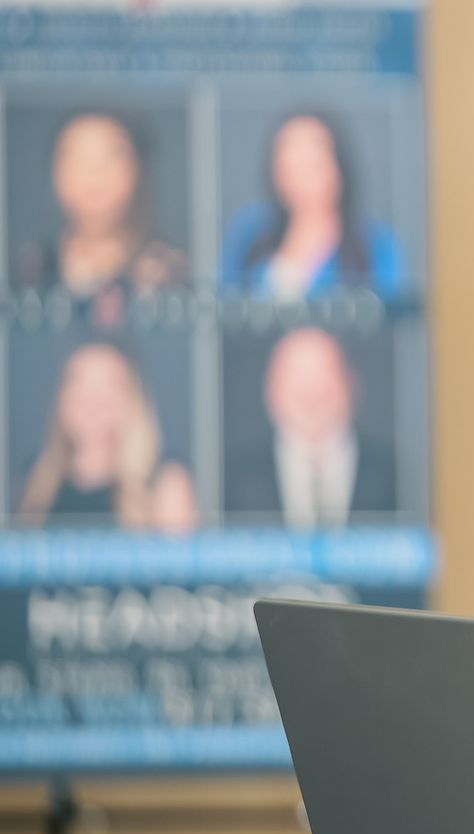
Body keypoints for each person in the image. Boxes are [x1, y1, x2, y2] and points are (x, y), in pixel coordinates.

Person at [13, 111, 187, 317]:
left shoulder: (165, 267)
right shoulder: (36, 266)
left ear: (141, 169)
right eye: (77, 157)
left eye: (112, 156)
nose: (94, 172)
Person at [219, 111, 406, 300]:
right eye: (290, 168)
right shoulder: (251, 235)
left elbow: (387, 314)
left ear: (338, 167)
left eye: (312, 166)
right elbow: (226, 305)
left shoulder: (372, 245)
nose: (300, 181)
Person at [15, 340, 198, 532]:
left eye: (109, 386)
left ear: (133, 400)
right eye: (78, 383)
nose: (92, 401)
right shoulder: (35, 481)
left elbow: (177, 559)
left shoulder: (166, 484)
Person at [224, 327, 398, 528]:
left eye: (325, 375)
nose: (312, 393)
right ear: (270, 389)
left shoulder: (394, 475)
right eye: (297, 377)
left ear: (351, 384)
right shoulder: (236, 480)